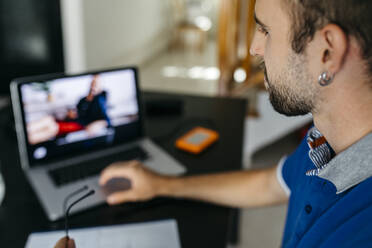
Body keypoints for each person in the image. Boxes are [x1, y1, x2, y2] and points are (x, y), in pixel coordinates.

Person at [58, 0, 372, 246]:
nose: (254, 48)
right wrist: (161, 185)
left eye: (265, 30)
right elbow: (272, 184)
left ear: (327, 52)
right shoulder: (325, 140)